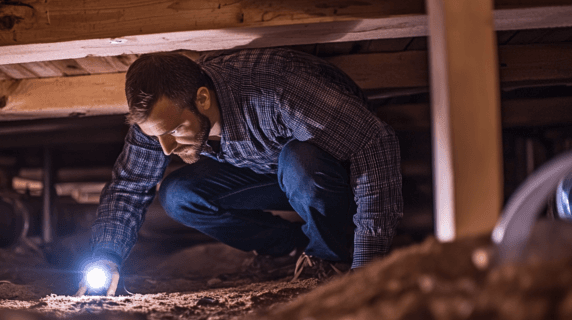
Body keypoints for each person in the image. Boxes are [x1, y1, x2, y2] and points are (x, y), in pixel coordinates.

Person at [82, 48, 403, 294]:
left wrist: (368, 265)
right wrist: (107, 256)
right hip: (268, 173)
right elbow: (128, 187)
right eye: (156, 137)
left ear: (203, 99)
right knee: (178, 194)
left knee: (298, 160)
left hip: (329, 178)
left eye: (177, 131)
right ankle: (294, 248)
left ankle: (331, 257)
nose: (167, 149)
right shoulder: (160, 121)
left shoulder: (278, 88)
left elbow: (374, 145)